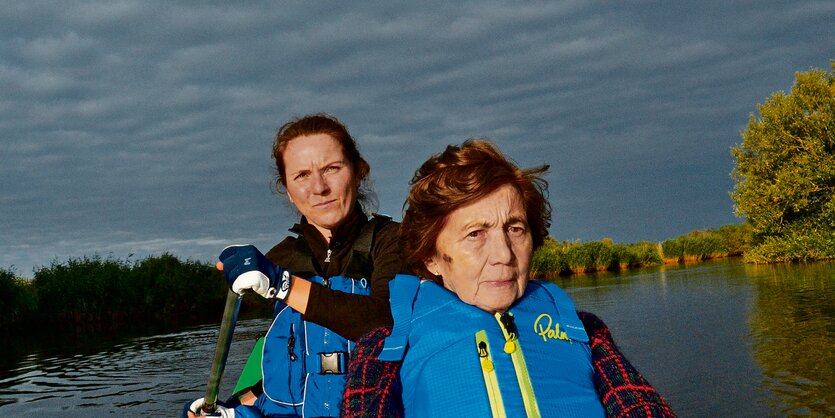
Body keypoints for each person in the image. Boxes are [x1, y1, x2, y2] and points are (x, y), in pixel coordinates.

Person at [341, 139, 675, 417]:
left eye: (515, 229)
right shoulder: (384, 349)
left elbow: (640, 407)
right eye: (475, 234)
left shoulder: (585, 331)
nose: (503, 254)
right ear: (432, 257)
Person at [186, 113, 404, 418]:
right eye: (301, 175)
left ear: (358, 172)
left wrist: (284, 285)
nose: (319, 187)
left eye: (332, 168)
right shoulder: (282, 257)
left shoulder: (394, 241)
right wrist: (231, 413)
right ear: (288, 190)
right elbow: (286, 372)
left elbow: (386, 324)